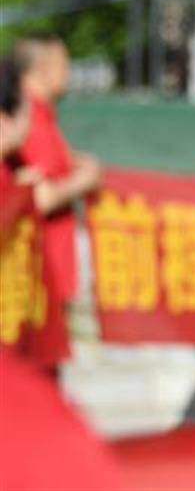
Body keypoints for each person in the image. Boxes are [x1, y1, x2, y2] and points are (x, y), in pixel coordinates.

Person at [11, 34, 103, 368]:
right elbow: (38, 196)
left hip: (48, 278)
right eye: (65, 64)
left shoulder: (43, 117)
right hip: (34, 279)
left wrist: (76, 163)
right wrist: (84, 180)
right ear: (44, 68)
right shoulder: (26, 117)